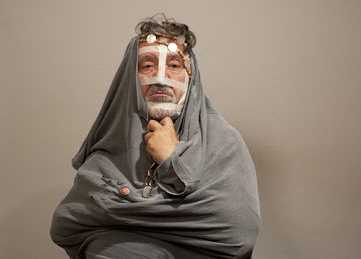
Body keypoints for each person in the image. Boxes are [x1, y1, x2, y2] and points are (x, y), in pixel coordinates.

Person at [50, 14, 261, 259]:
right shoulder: (108, 153)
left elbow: (237, 235)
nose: (161, 78)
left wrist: (172, 160)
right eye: (147, 65)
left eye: (174, 65)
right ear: (131, 78)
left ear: (190, 77)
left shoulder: (224, 144)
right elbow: (66, 225)